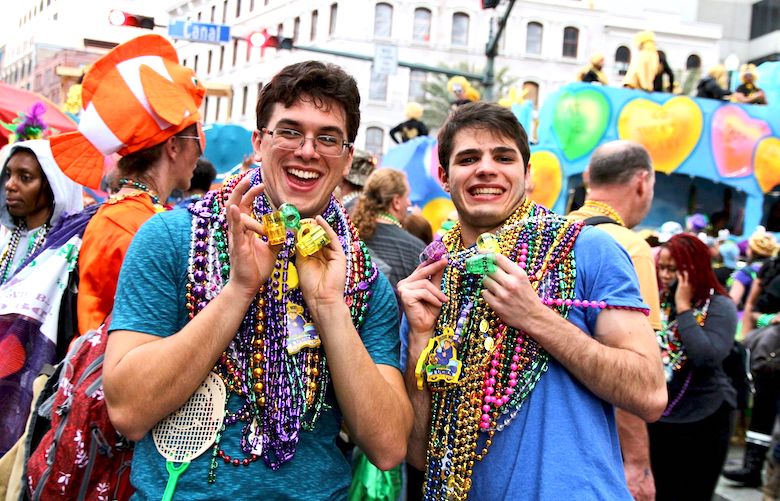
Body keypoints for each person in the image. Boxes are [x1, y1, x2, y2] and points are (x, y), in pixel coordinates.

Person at [103, 60, 412, 499]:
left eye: (327, 138)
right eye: (289, 131)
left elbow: (388, 447)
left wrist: (329, 309)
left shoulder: (361, 279)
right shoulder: (171, 239)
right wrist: (239, 290)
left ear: (345, 161)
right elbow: (128, 410)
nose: (308, 150)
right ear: (259, 142)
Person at [398, 101, 666, 499]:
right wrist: (421, 339)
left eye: (503, 157)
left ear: (526, 174)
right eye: (468, 158)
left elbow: (649, 394)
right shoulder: (431, 280)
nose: (486, 168)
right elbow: (421, 454)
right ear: (444, 176)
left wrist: (535, 317)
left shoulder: (589, 250)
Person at [49, 34, 206, 336]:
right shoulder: (125, 222)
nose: (202, 151)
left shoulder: (137, 214)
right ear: (173, 147)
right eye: (197, 137)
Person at [567, 140, 661, 501]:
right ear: (642, 182)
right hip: (598, 449)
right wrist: (637, 464)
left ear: (589, 177)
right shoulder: (628, 246)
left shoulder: (551, 233)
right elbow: (633, 376)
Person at [0, 139, 83, 456]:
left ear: (53, 187)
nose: (10, 185)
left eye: (25, 177)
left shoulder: (68, 251)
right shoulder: (7, 240)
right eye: (8, 174)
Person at [652, 233, 737, 500]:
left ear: (693, 269)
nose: (665, 276)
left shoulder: (720, 306)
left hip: (705, 414)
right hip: (662, 414)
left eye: (673, 269)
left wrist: (684, 307)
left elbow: (706, 357)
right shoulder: (659, 303)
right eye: (661, 268)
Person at [724, 255, 780, 488]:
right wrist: (771, 320)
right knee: (763, 408)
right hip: (770, 356)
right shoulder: (772, 270)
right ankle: (753, 467)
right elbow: (753, 310)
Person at [352, 168, 426, 288]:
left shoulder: (350, 235)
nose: (409, 203)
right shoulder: (415, 248)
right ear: (396, 202)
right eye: (407, 196)